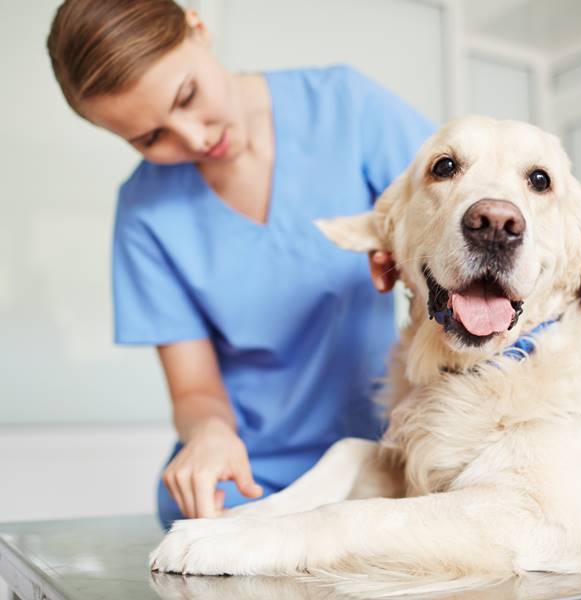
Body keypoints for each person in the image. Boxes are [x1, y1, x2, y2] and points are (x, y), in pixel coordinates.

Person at [47, 0, 434, 528]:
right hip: (248, 478)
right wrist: (208, 435)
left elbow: (453, 212)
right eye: (150, 138)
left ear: (198, 28)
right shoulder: (144, 214)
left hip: (381, 452)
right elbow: (195, 390)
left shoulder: (346, 106)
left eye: (187, 95)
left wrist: (413, 257)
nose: (195, 137)